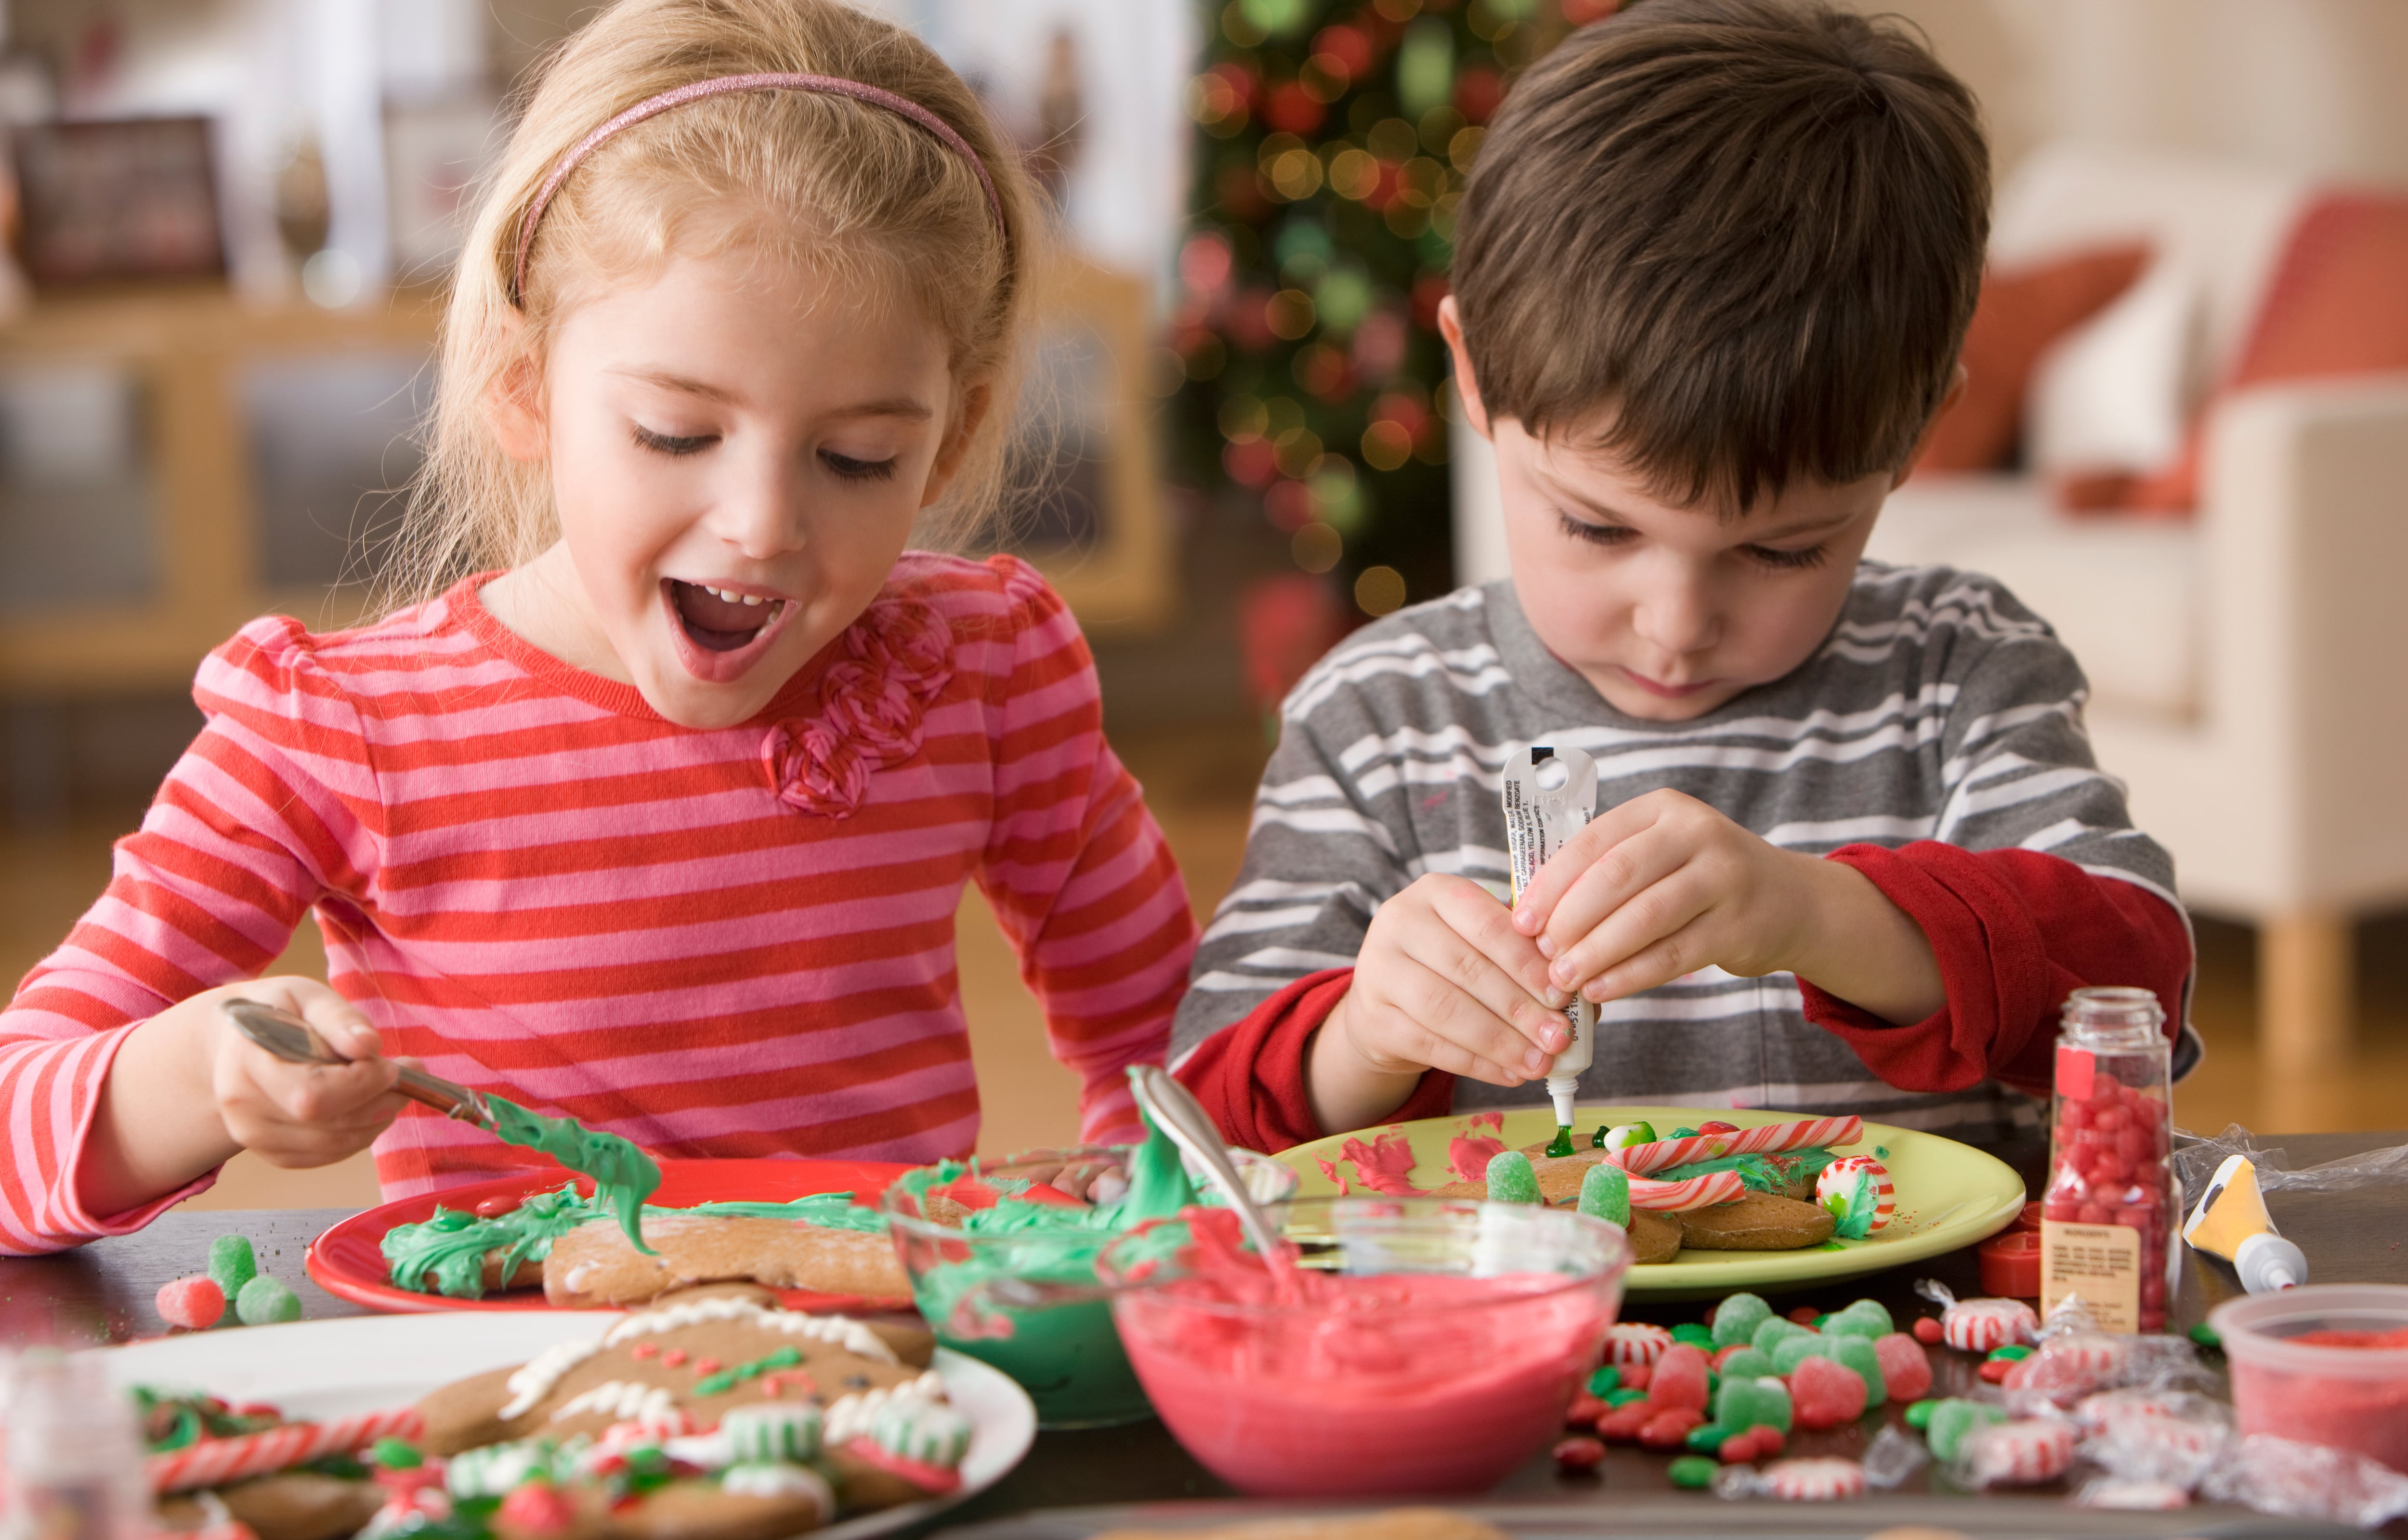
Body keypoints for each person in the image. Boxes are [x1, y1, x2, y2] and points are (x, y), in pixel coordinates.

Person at [0, 0, 1197, 1254]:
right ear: (526, 387)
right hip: (524, 1409)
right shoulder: (335, 729)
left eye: (858, 456)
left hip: (886, 1387)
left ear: (948, 438)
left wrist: (1126, 1230)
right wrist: (196, 1078)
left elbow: (1174, 1054)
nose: (761, 523)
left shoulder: (989, 669)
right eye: (676, 434)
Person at [1172, 0, 2196, 1155]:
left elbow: (2136, 992)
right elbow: (1198, 1117)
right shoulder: (1379, 719)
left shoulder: (1958, 674)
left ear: (1914, 437)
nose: (1675, 625)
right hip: (1507, 1334)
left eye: (1781, 549)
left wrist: (1819, 914)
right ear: (1474, 376)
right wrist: (1364, 1033)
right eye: (1596, 529)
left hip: (1927, 1335)